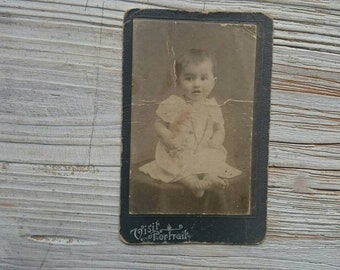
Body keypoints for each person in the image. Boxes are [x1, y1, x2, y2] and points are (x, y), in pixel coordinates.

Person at [139, 49, 241, 197]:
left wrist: (217, 139)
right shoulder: (173, 103)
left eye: (204, 78)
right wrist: (167, 136)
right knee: (176, 164)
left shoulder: (213, 106)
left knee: (213, 157)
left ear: (213, 82)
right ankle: (192, 183)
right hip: (178, 150)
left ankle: (209, 177)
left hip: (203, 149)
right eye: (189, 78)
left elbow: (219, 128)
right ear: (178, 81)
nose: (197, 84)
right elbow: (158, 123)